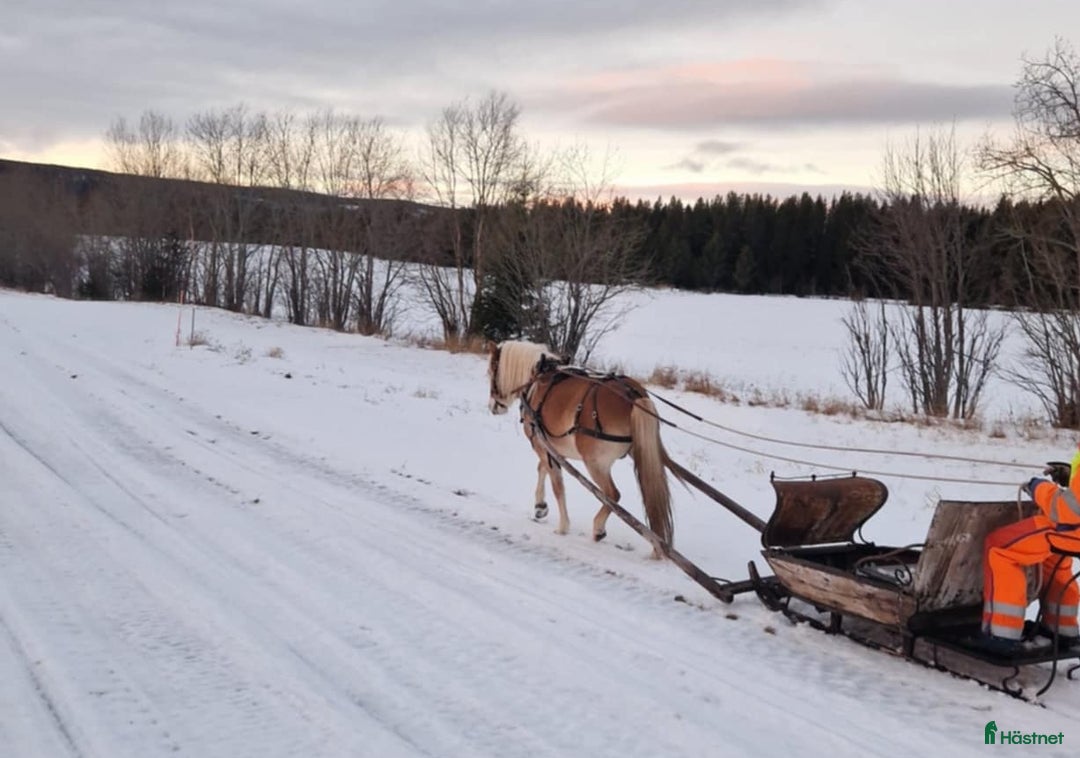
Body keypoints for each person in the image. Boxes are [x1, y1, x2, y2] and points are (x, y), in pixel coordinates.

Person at [980, 448, 1080, 654]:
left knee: (999, 548)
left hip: (1073, 530)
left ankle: (1001, 633)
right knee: (1055, 559)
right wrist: (1072, 477)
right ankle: (1061, 628)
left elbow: (1067, 510)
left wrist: (1038, 488)